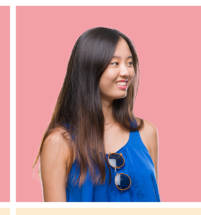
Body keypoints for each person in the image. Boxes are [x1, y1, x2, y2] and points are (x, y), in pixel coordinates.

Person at [39, 27, 159, 202]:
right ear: (89, 68)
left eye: (130, 63)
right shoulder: (59, 142)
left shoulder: (147, 132)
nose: (126, 72)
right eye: (115, 63)